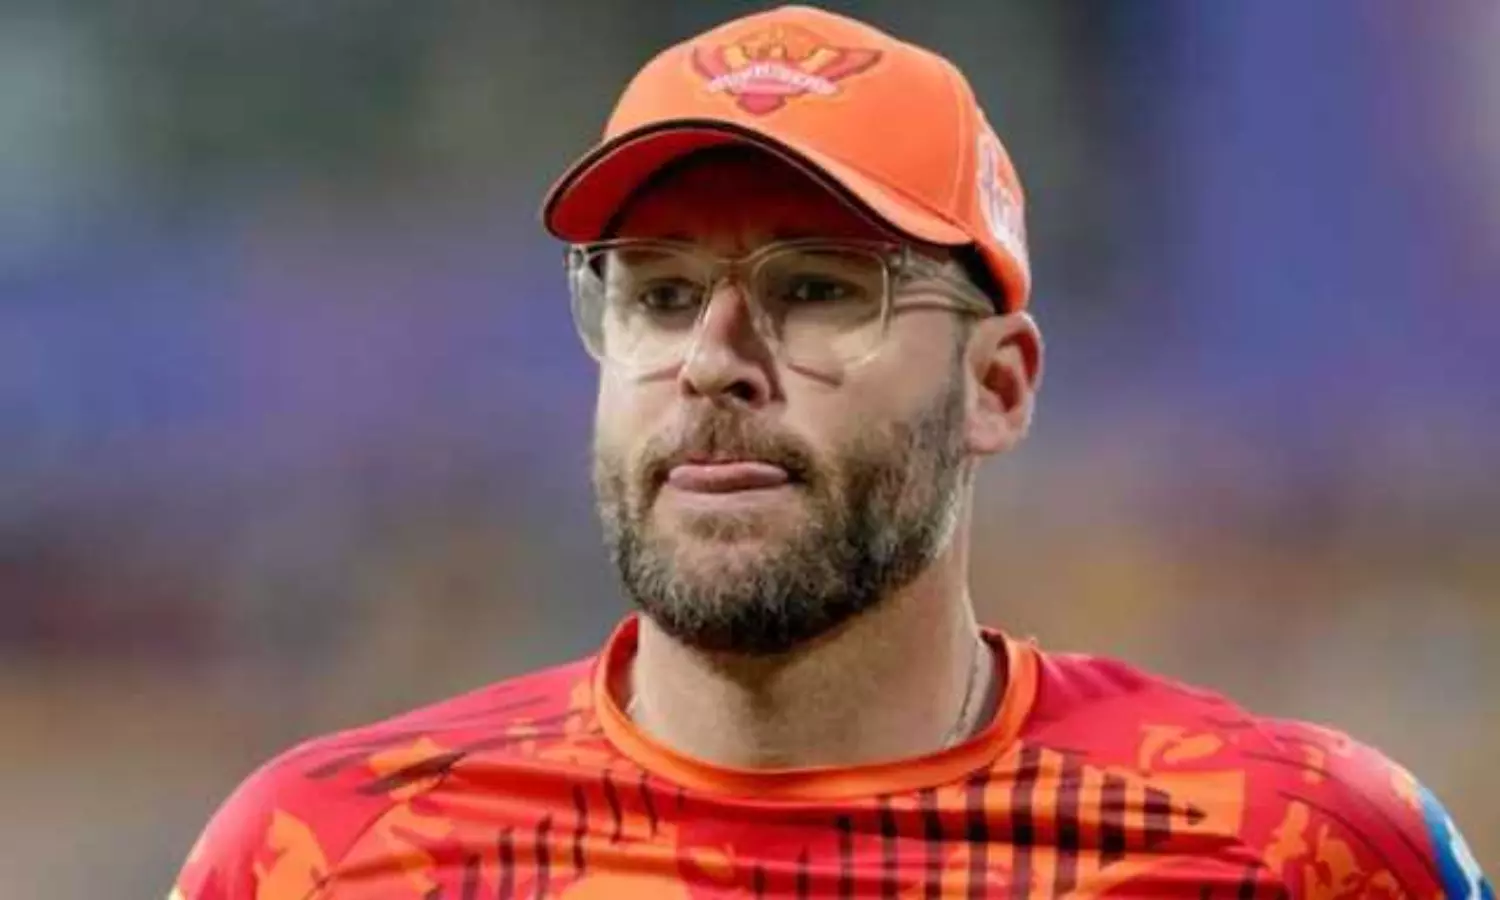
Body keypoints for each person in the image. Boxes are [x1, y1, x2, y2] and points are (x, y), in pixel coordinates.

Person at [172, 6, 1492, 898]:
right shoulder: (327, 857)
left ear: (998, 386)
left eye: (817, 290)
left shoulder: (1293, 847)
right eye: (660, 294)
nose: (715, 359)